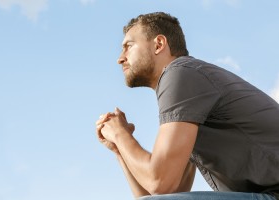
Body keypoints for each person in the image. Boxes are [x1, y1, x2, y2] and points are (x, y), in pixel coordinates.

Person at [95, 12, 279, 200]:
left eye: (128, 46)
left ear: (159, 44)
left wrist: (120, 134)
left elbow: (160, 182)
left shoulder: (180, 73)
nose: (120, 58)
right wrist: (119, 149)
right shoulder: (189, 94)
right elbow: (160, 193)